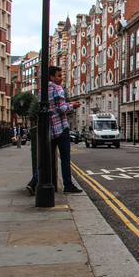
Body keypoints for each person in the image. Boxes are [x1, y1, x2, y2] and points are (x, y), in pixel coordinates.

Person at [26, 66, 82, 195]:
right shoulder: (57, 88)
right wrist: (72, 105)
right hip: (60, 128)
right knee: (65, 158)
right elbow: (62, 109)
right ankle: (68, 184)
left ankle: (34, 183)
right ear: (52, 77)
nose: (61, 78)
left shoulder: (42, 90)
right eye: (59, 76)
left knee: (46, 158)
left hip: (49, 129)